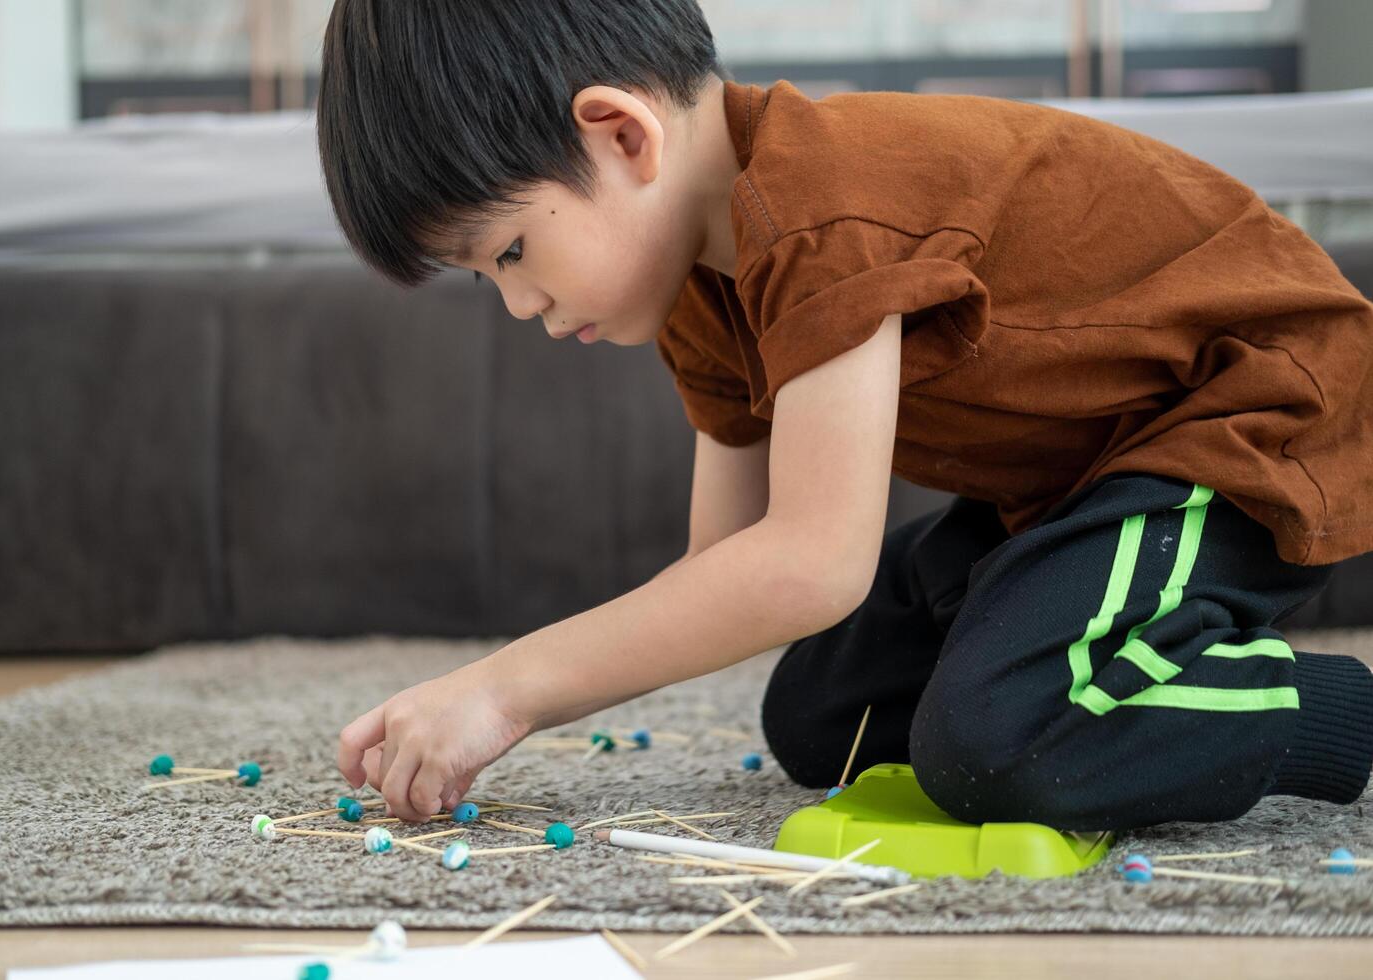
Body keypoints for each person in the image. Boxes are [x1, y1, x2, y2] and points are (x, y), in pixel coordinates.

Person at [314, 0, 1373, 829]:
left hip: (1255, 415)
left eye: (509, 252)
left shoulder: (821, 208)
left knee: (997, 740)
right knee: (824, 713)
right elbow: (727, 563)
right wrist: (506, 693)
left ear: (622, 135)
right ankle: (1079, 642)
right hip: (1086, 478)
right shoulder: (701, 291)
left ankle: (1340, 714)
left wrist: (507, 689)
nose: (521, 305)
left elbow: (813, 563)